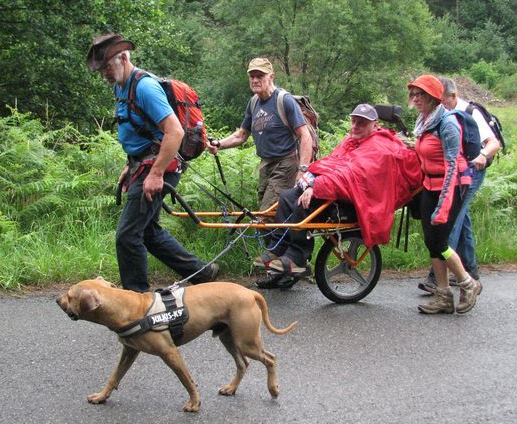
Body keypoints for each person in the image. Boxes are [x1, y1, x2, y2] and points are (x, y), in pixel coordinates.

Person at [86, 33, 218, 293]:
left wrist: (156, 174)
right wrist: (131, 163)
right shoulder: (121, 86)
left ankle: (135, 299)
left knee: (127, 236)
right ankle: (202, 272)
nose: (105, 74)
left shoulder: (145, 88)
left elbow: (175, 132)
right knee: (147, 232)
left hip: (160, 166)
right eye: (101, 70)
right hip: (143, 164)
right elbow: (138, 130)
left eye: (107, 67)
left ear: (123, 58)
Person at [254, 103, 422, 289]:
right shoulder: (351, 141)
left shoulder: (379, 148)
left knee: (301, 204)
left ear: (375, 125)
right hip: (335, 190)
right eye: (354, 121)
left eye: (362, 123)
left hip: (354, 201)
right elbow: (331, 164)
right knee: (287, 196)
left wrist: (315, 186)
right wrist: (309, 179)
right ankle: (278, 249)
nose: (355, 126)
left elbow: (351, 176)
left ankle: (297, 258)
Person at [418, 77, 501, 294]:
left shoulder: (466, 114)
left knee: (449, 225)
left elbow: (494, 142)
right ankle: (470, 271)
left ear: (450, 96)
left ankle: (438, 278)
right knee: (462, 222)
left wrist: (482, 156)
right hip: (442, 177)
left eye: (441, 98)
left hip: (468, 174)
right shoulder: (428, 119)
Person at [408, 74, 481, 313]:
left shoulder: (448, 123)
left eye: (421, 94)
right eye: (414, 94)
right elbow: (425, 152)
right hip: (430, 186)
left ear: (433, 97)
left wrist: (443, 205)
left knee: (440, 241)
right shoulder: (424, 121)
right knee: (431, 242)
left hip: (451, 187)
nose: (416, 99)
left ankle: (467, 283)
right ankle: (443, 295)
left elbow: (452, 166)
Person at [207, 57, 313, 218]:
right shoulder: (253, 103)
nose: (255, 80)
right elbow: (241, 135)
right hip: (266, 166)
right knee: (269, 215)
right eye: (252, 76)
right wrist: (219, 144)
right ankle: (282, 242)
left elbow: (305, 136)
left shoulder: (284, 100)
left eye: (260, 76)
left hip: (286, 164)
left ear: (271, 76)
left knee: (265, 215)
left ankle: (279, 242)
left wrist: (303, 170)